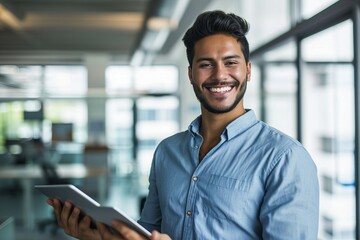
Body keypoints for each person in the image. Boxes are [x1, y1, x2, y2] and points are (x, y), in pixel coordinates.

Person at [47, 10, 319, 239]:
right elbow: (150, 230)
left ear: (248, 69)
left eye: (230, 62)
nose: (219, 75)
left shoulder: (285, 158)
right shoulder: (167, 151)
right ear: (191, 73)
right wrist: (102, 235)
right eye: (206, 64)